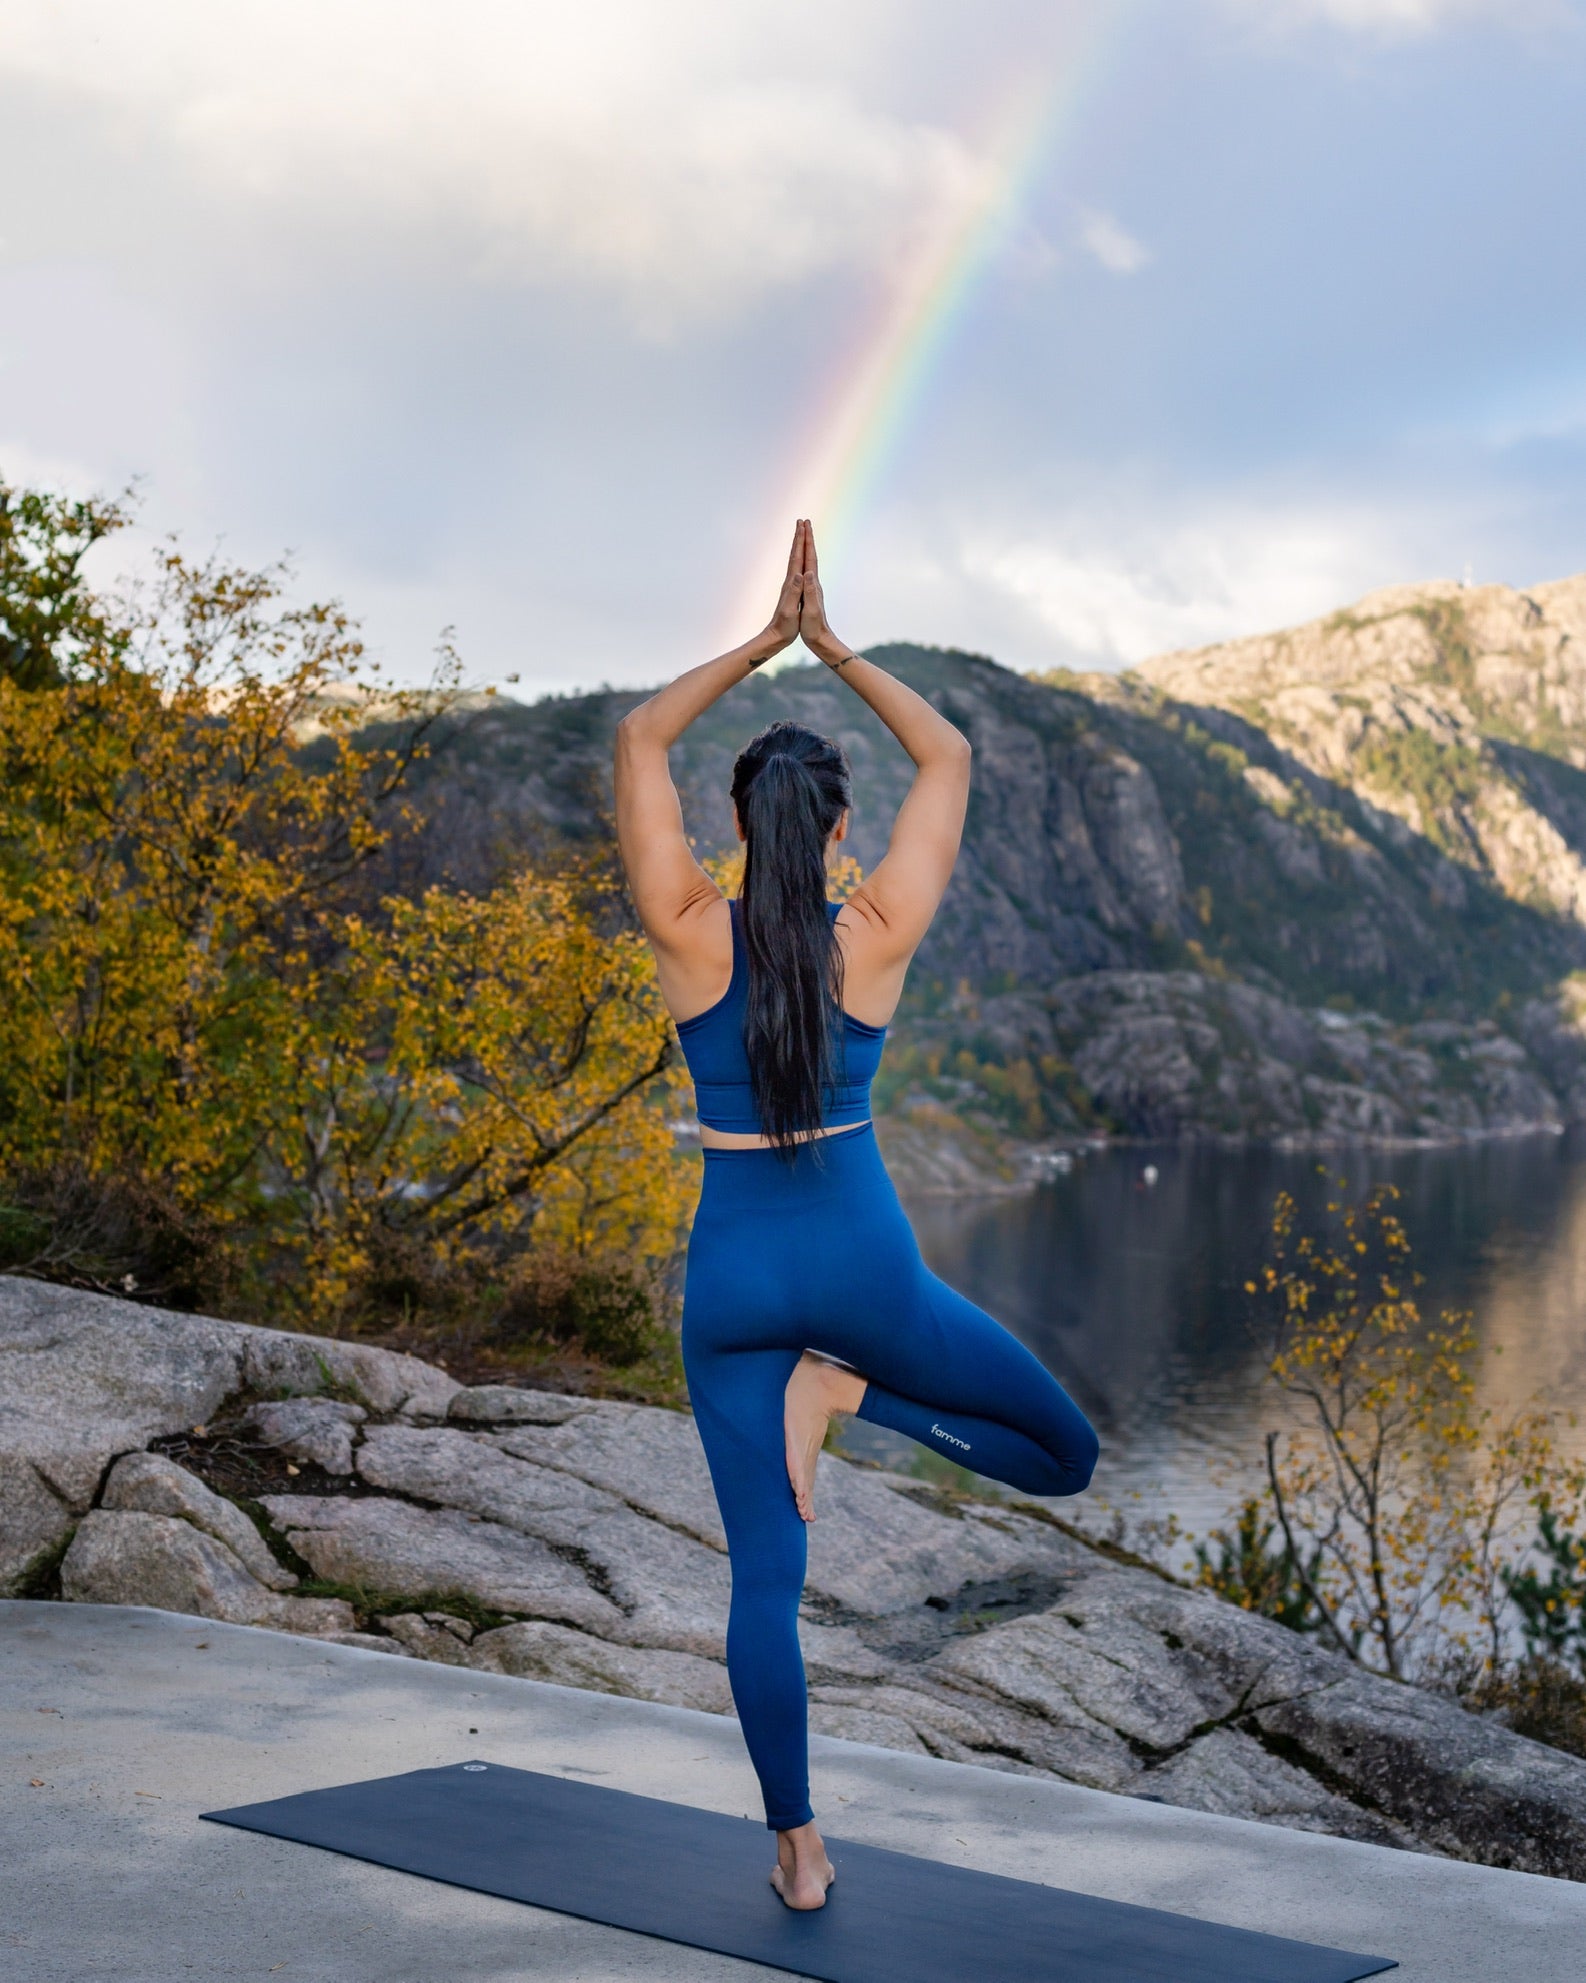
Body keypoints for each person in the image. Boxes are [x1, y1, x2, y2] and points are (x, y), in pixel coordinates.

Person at [613, 520, 1098, 1910]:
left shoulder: (683, 924)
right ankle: (855, 1397)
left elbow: (640, 739)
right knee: (1059, 1454)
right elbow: (949, 756)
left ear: (729, 828)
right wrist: (832, 646)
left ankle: (796, 1846)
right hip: (866, 1274)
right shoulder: (871, 930)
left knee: (765, 1580)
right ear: (834, 830)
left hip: (734, 1287)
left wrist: (759, 641)